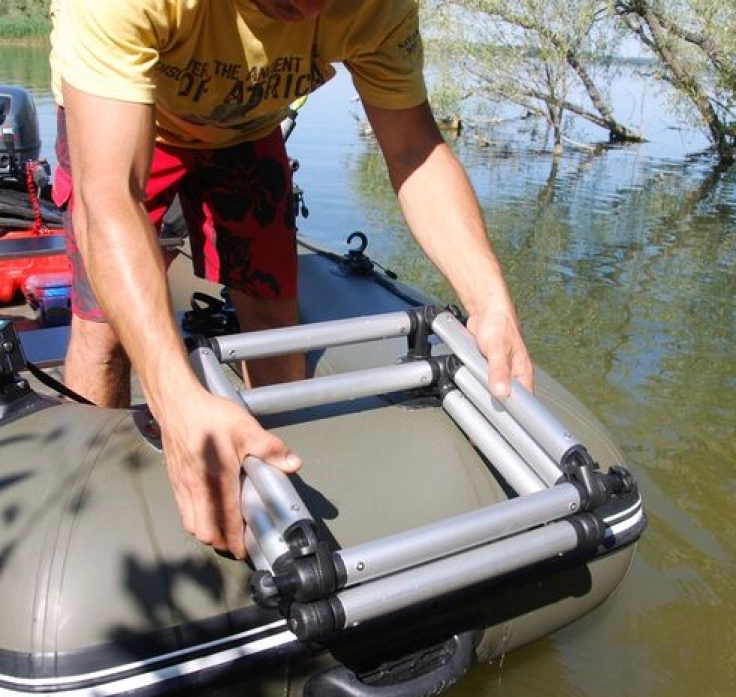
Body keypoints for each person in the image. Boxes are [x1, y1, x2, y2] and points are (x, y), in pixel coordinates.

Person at [50, 0, 534, 560]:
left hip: (246, 128)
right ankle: (84, 515)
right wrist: (177, 401)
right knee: (103, 334)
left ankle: (280, 494)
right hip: (129, 120)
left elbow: (413, 149)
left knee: (276, 320)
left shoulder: (380, 7)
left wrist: (491, 302)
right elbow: (110, 199)